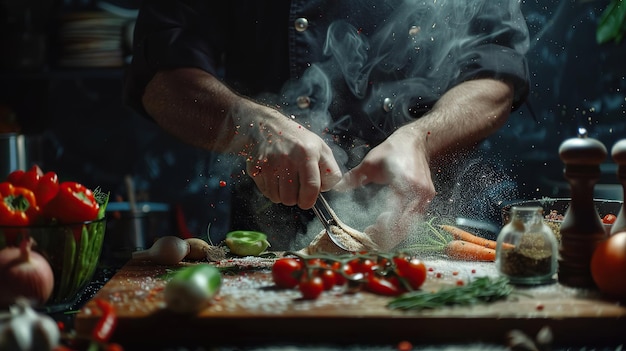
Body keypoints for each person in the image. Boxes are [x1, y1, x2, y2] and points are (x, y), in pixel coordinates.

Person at [124, 0, 530, 250]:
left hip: (428, 225)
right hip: (269, 236)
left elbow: (498, 70)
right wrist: (254, 124)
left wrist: (420, 140)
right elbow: (160, 77)